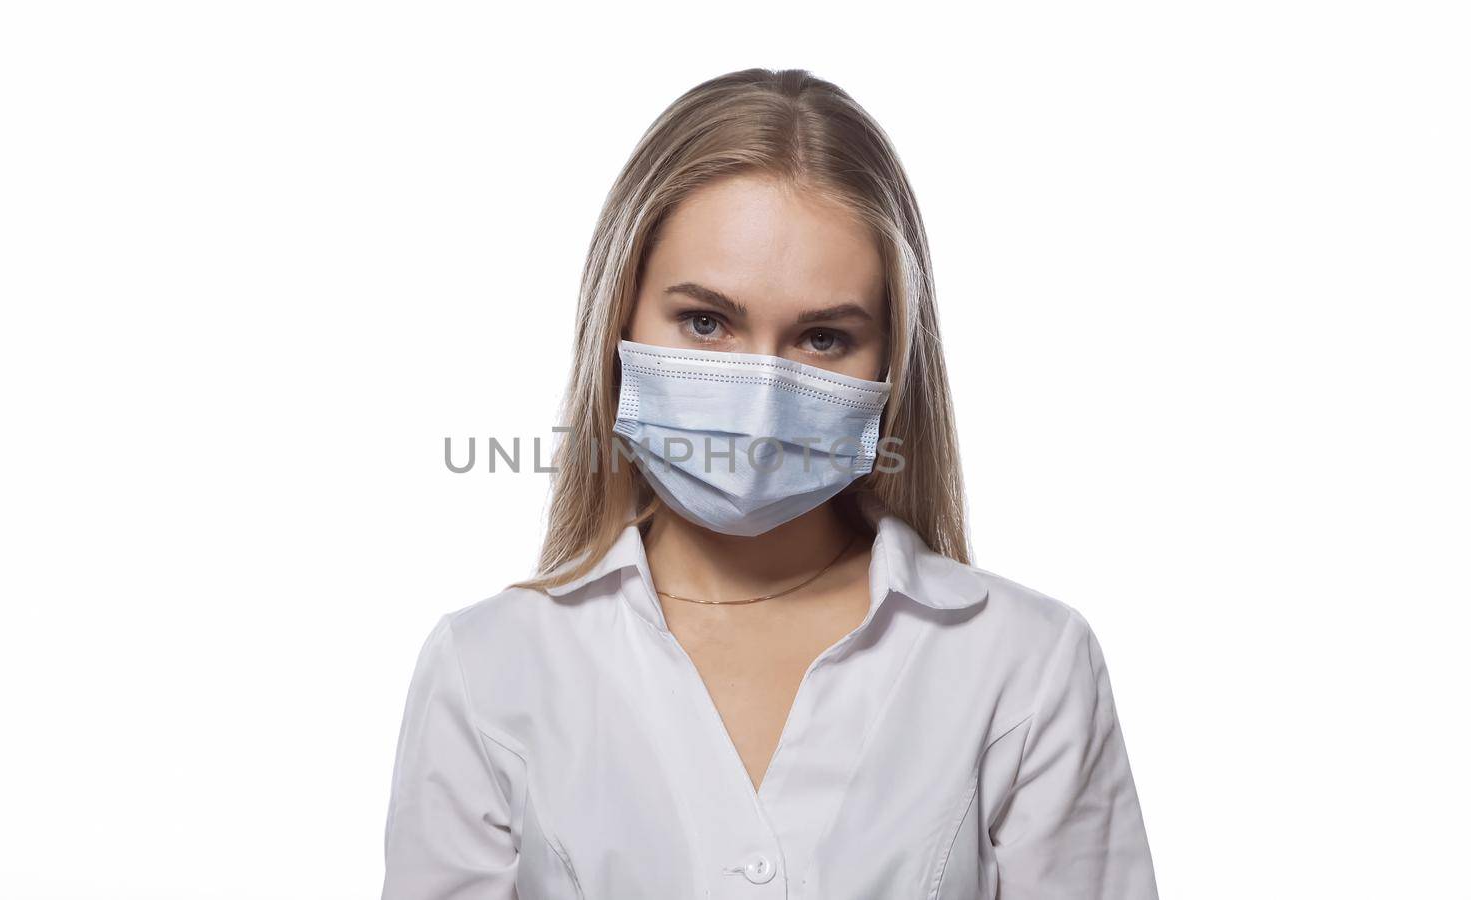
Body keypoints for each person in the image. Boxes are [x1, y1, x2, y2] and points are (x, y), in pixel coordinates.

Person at [382, 67, 1159, 899]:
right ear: (619, 321)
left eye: (823, 338)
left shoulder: (1025, 664)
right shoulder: (488, 667)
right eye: (707, 322)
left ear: (893, 364)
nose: (759, 399)